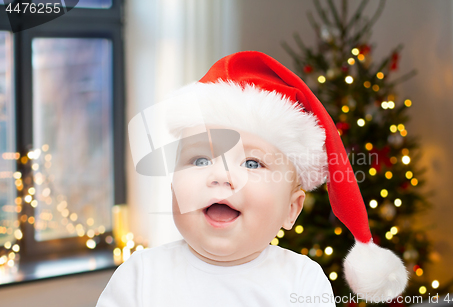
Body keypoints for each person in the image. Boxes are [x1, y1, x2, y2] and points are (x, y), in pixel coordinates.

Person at [96, 51, 408, 307]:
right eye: (201, 159)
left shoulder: (302, 280)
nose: (221, 175)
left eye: (252, 162)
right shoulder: (140, 276)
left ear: (292, 210)